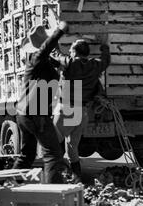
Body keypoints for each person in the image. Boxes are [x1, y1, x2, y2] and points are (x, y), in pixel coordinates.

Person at [13, 22, 69, 184]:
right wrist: (59, 31)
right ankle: (54, 195)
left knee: (27, 155)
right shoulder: (37, 58)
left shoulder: (40, 62)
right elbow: (46, 49)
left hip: (25, 114)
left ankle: (11, 186)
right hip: (36, 113)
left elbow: (56, 63)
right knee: (53, 155)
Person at [52, 39, 111, 183]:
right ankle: (77, 177)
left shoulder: (70, 63)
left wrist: (53, 41)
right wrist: (104, 47)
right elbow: (106, 61)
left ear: (74, 52)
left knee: (52, 145)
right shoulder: (95, 65)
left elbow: (56, 55)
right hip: (81, 111)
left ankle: (56, 177)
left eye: (71, 51)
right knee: (72, 147)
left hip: (66, 108)